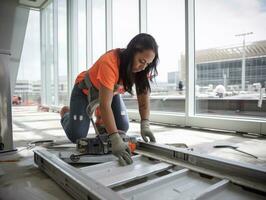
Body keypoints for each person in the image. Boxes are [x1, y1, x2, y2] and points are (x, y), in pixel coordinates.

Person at [60, 33, 159, 166]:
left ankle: (102, 123)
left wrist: (145, 124)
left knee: (122, 127)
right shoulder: (110, 62)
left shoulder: (142, 69)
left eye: (148, 63)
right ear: (132, 52)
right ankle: (67, 113)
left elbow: (143, 103)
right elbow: (105, 105)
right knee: (77, 136)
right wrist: (114, 138)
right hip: (85, 91)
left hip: (110, 92)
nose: (143, 67)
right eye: (141, 61)